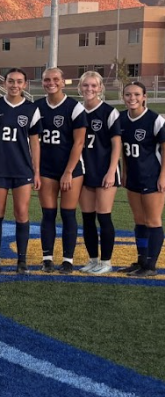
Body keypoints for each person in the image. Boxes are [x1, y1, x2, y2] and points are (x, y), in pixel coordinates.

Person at [0, 68, 41, 273]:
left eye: (19, 82)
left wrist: (36, 171)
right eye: (11, 81)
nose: (15, 85)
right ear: (4, 83)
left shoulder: (31, 109)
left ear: (25, 85)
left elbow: (35, 143)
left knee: (21, 213)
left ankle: (22, 260)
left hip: (22, 169)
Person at [37, 67, 87, 273]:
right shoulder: (37, 107)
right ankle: (47, 258)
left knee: (68, 214)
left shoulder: (74, 108)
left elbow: (79, 143)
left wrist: (68, 171)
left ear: (63, 81)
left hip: (71, 170)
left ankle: (68, 259)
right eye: (47, 79)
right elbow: (33, 141)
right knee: (48, 214)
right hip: (46, 169)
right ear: (42, 82)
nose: (51, 83)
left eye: (55, 79)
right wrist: (35, 169)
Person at [119, 82, 165, 276]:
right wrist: (124, 172)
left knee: (152, 221)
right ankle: (141, 260)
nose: (132, 98)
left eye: (137, 94)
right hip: (134, 177)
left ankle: (151, 265)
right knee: (139, 220)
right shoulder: (121, 118)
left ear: (144, 96)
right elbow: (122, 148)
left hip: (152, 176)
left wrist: (163, 176)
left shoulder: (155, 120)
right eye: (128, 95)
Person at [77, 71, 121, 274]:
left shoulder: (109, 112)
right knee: (87, 218)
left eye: (94, 85)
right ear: (80, 87)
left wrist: (112, 171)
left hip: (104, 170)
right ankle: (93, 259)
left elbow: (116, 144)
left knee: (103, 217)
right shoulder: (76, 111)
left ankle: (106, 262)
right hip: (86, 171)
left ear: (100, 88)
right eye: (86, 85)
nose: (89, 89)